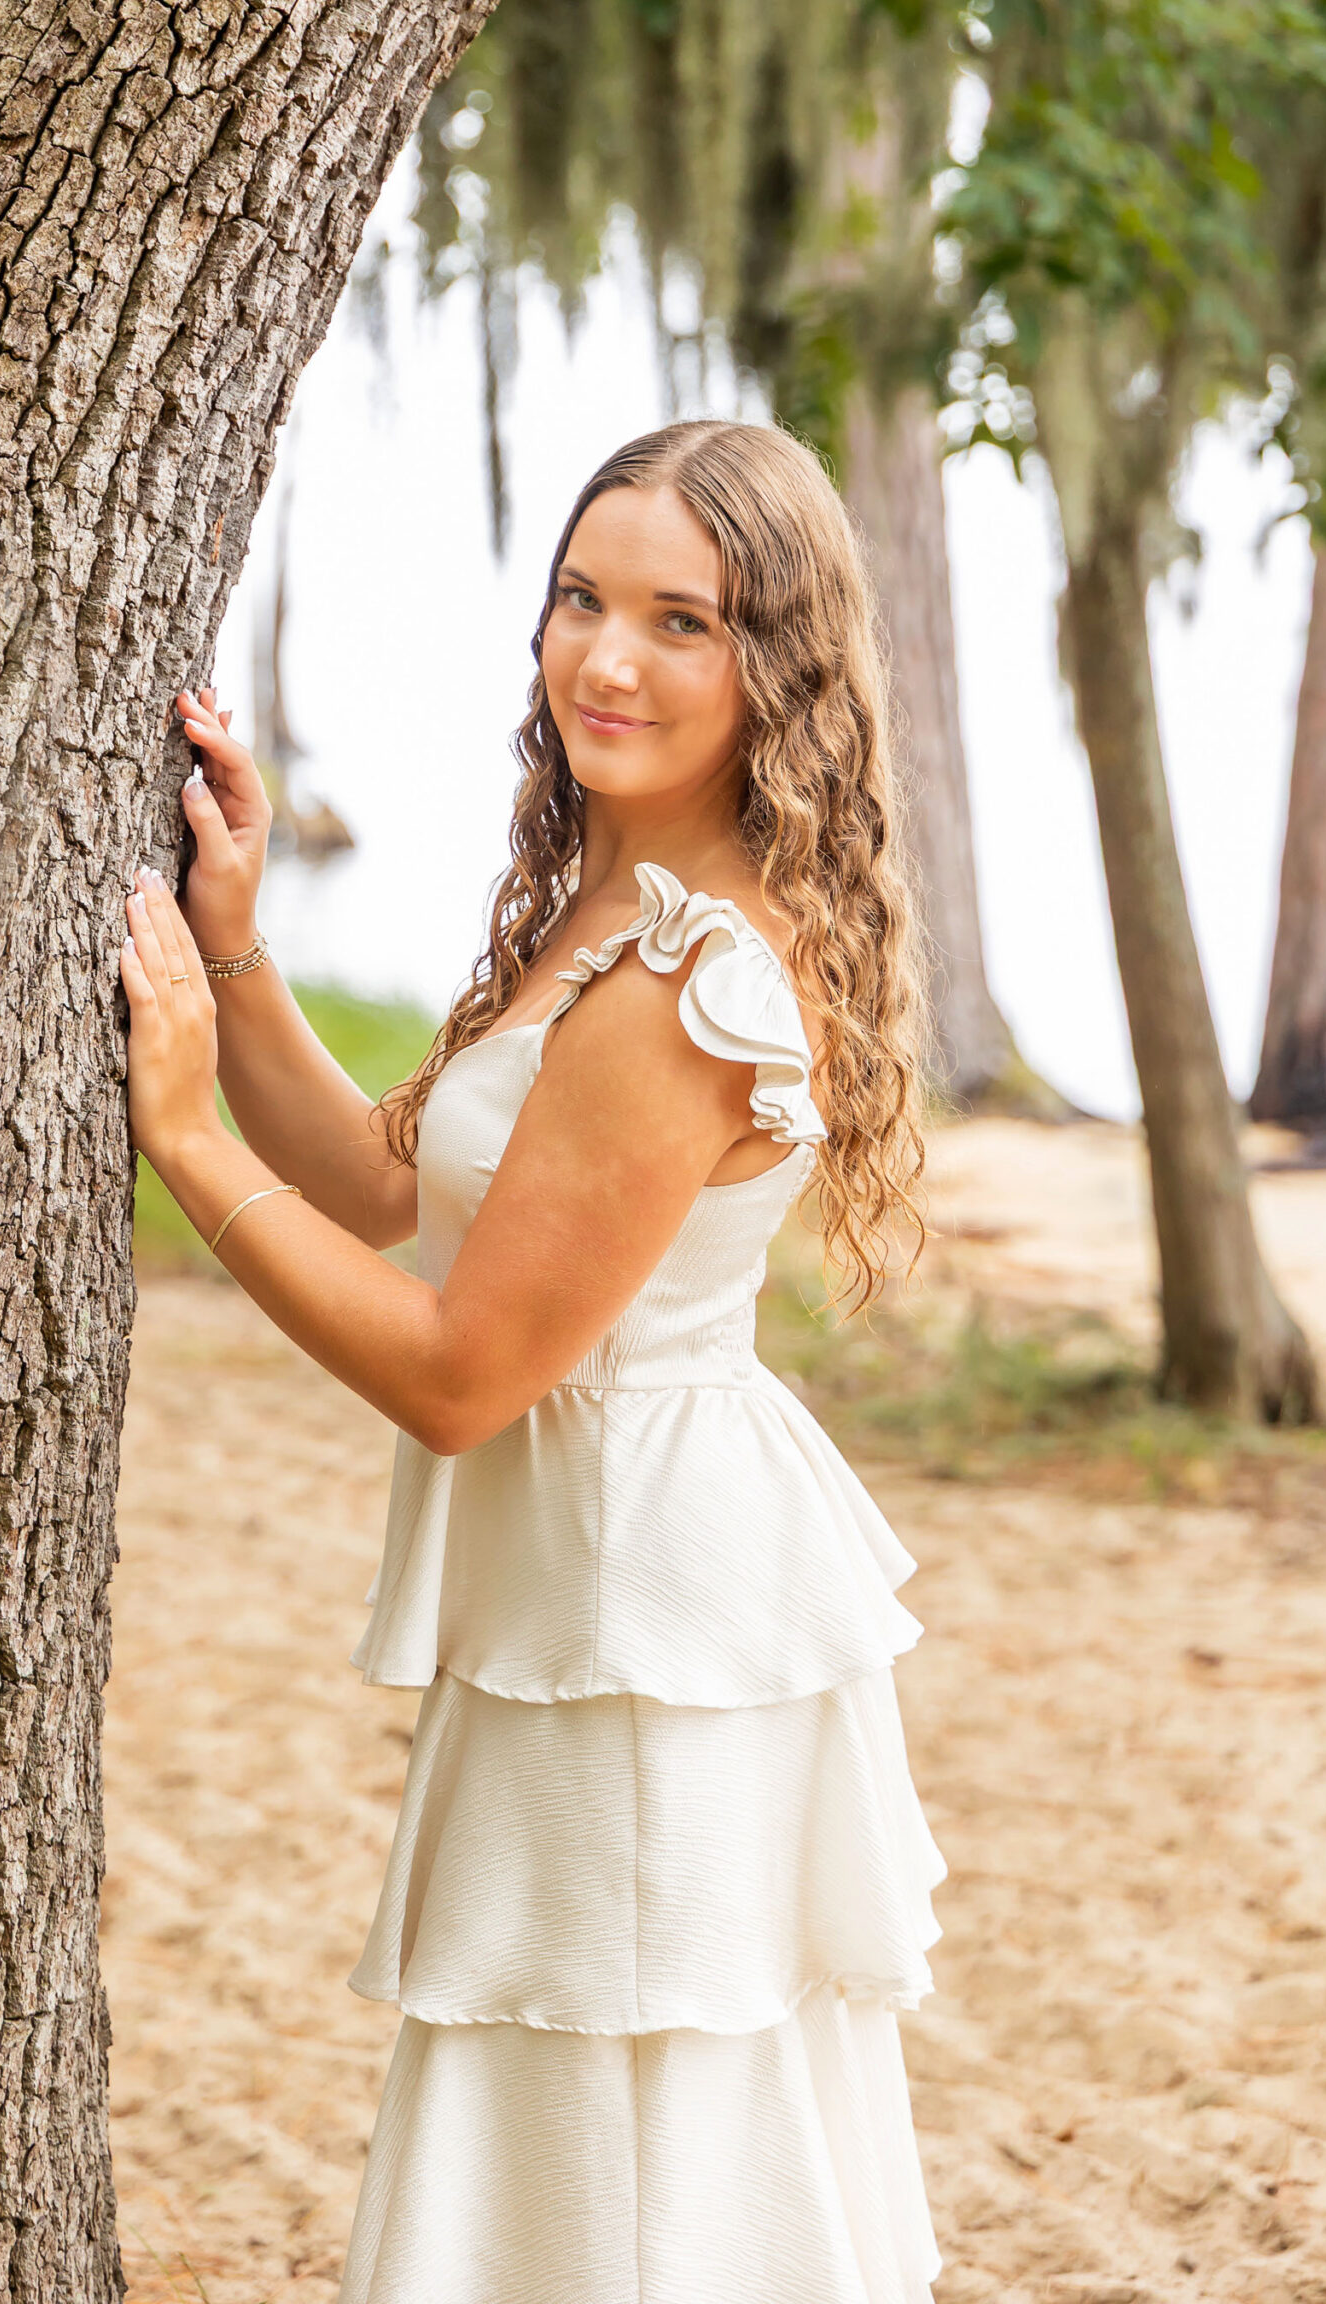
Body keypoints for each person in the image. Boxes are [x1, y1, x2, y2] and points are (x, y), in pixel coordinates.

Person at [122, 418, 945, 2302]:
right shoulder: (603, 906)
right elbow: (396, 1185)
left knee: (637, 2132)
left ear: (780, 675)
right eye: (582, 598)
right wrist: (239, 958)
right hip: (584, 1598)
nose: (608, 658)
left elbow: (458, 1371)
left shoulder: (688, 982)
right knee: (583, 2113)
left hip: (641, 1623)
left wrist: (185, 1147)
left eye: (682, 621)